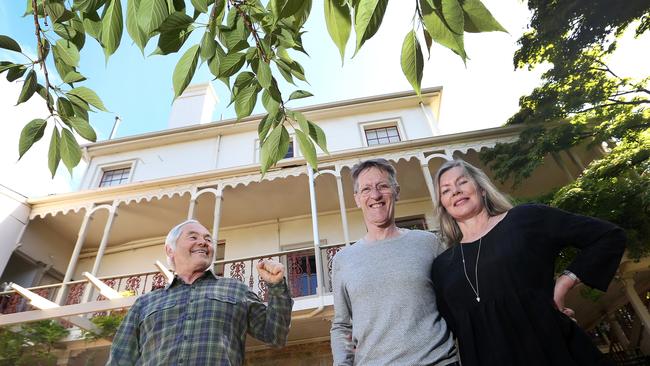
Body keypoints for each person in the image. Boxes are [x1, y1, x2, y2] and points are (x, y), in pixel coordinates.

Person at [431, 159, 626, 366]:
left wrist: (564, 283)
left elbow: (608, 237)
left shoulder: (525, 219)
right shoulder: (442, 266)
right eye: (445, 190)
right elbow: (447, 329)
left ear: (482, 189)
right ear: (443, 205)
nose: (455, 191)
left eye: (462, 182)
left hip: (554, 352)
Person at [107, 219, 293, 365]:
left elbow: (275, 335)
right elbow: (120, 360)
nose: (203, 242)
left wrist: (277, 286)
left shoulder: (236, 289)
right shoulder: (144, 303)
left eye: (208, 239)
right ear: (170, 249)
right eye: (193, 237)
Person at [330, 158, 459, 366]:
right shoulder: (343, 260)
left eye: (382, 186)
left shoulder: (428, 243)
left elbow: (454, 303)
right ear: (356, 198)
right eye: (366, 189)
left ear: (396, 191)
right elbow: (342, 326)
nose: (375, 195)